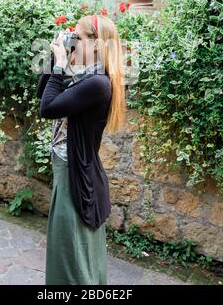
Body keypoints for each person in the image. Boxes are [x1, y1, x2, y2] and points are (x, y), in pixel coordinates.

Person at [36, 14, 126, 285]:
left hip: (76, 176)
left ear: (97, 44)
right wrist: (57, 60)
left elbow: (47, 109)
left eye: (78, 37)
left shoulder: (98, 84)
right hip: (68, 170)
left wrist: (63, 64)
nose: (73, 40)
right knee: (70, 250)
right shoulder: (86, 76)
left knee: (73, 258)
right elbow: (44, 94)